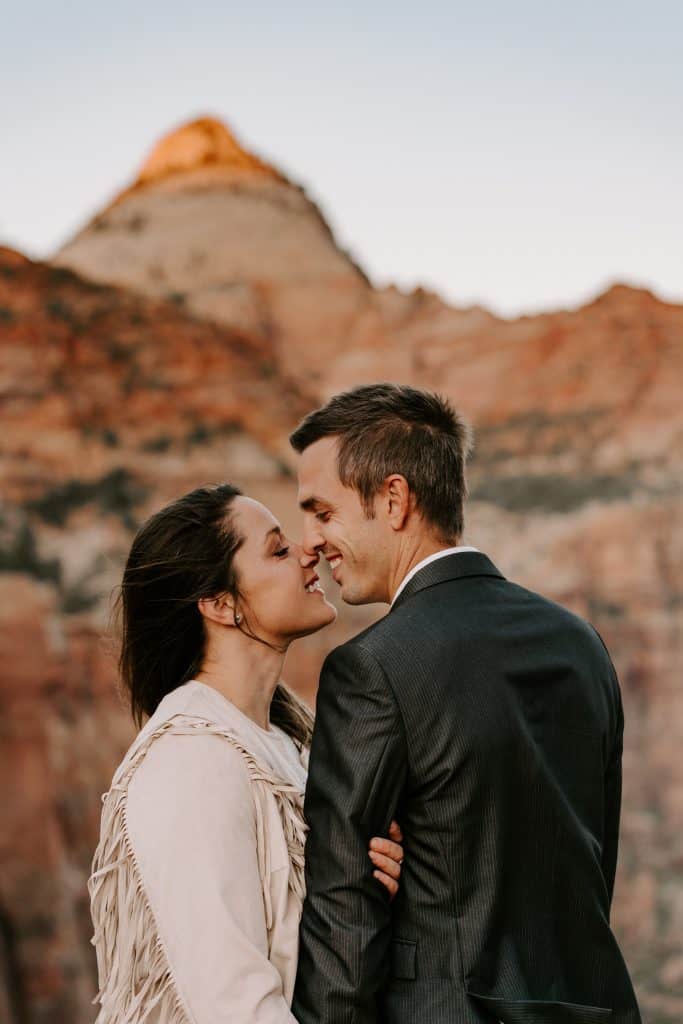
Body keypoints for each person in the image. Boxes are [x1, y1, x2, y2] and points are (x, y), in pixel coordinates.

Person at [290, 383, 641, 1024]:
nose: (310, 541)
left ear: (393, 500)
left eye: (322, 512)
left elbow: (343, 916)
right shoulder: (582, 644)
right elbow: (592, 867)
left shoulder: (370, 668)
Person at [89, 483, 405, 1023]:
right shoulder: (191, 761)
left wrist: (374, 882)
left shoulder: (287, 745)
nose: (309, 552)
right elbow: (232, 1003)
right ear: (220, 604)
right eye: (278, 550)